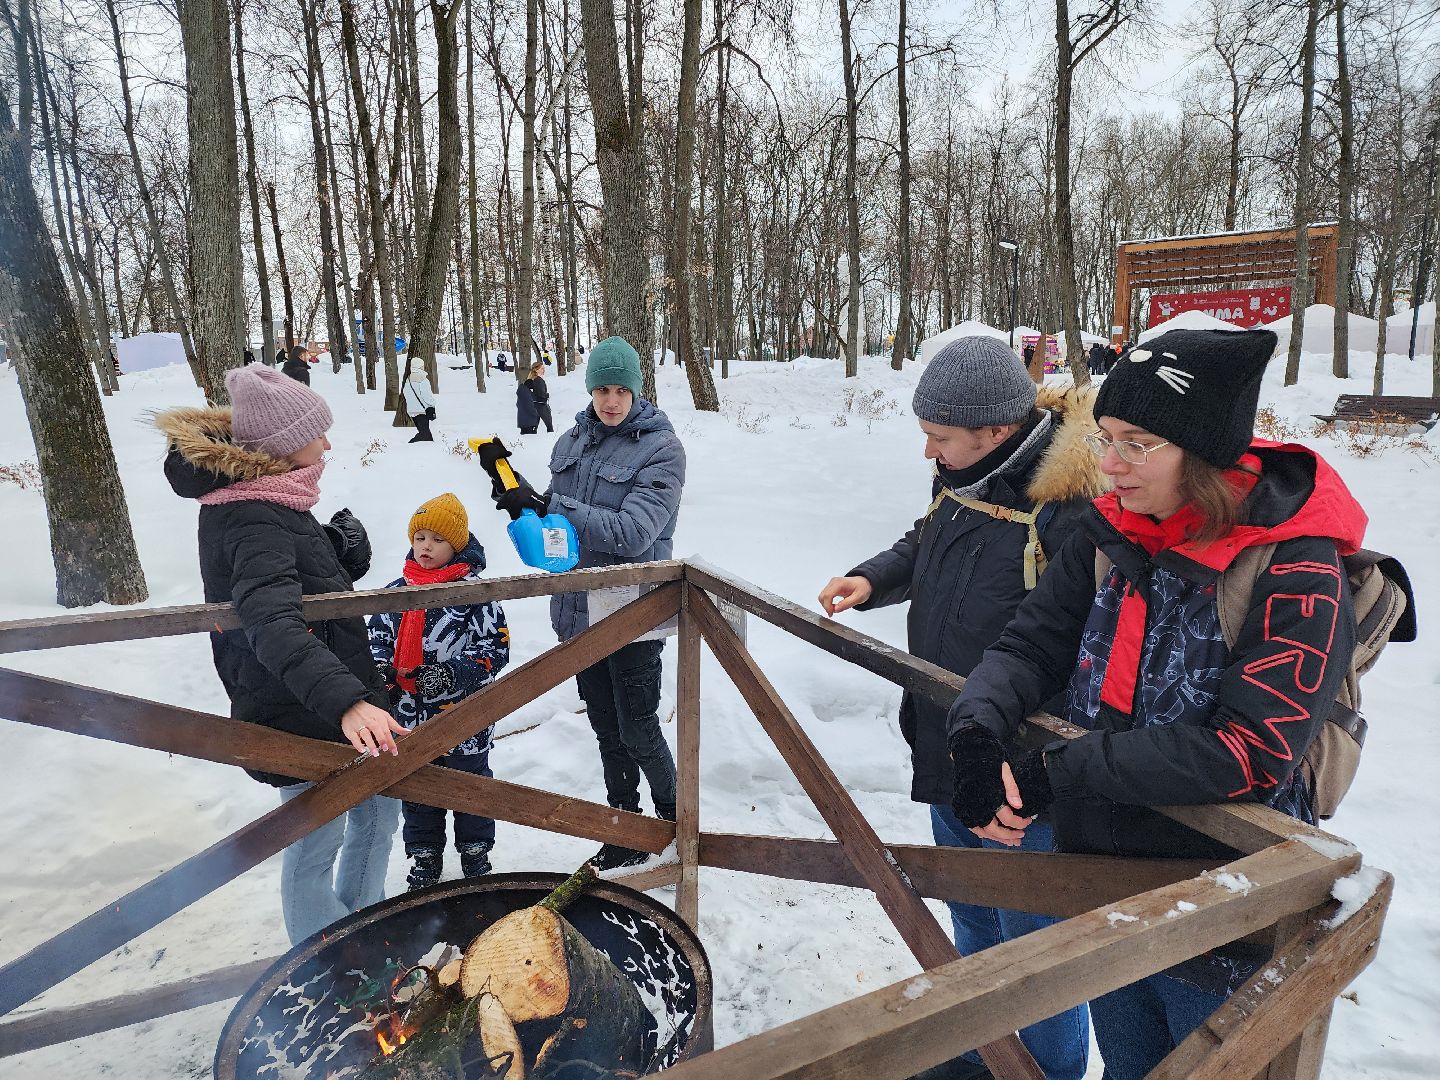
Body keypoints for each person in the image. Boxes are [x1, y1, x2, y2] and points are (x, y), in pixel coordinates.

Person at [945, 329, 1363, 1080]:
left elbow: (1251, 751)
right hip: (1107, 873)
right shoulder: (1111, 532)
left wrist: (1059, 772)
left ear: (1203, 453)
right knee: (1128, 1064)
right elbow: (1028, 647)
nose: (1108, 464)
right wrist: (976, 728)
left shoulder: (1299, 567)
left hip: (1231, 895)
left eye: (1139, 443)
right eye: (1107, 438)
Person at [818, 336, 1104, 1080]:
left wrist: (1025, 759)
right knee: (970, 917)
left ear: (995, 430)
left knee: (1032, 952)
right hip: (946, 744)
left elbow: (1066, 646)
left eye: (937, 438)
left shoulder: (1066, 513)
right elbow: (931, 539)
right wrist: (872, 578)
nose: (928, 454)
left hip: (1014, 774)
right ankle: (986, 1052)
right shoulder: (962, 474)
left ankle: (1043, 1072)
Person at [155, 366, 407, 946]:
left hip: (319, 692)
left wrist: (338, 557)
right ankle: (322, 965)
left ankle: (363, 936)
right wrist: (348, 704)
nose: (327, 444)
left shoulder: (270, 499)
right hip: (297, 703)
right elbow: (271, 622)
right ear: (282, 444)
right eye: (317, 432)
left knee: (375, 814)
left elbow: (285, 586)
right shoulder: (250, 511)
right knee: (316, 835)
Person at [493, 336, 685, 870]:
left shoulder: (661, 449)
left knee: (638, 727)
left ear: (637, 390)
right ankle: (621, 826)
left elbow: (632, 533)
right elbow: (563, 532)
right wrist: (522, 501)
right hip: (577, 611)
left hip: (633, 614)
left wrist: (551, 503)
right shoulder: (573, 441)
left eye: (622, 389)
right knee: (605, 727)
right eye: (601, 388)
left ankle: (673, 826)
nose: (611, 400)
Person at [367, 494, 510, 890]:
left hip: (464, 716)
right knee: (418, 784)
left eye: (437, 540)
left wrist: (448, 675)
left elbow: (494, 650)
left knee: (470, 782)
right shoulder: (395, 593)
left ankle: (475, 849)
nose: (426, 547)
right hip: (408, 714)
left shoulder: (474, 595)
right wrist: (382, 670)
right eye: (420, 537)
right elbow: (376, 638)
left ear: (457, 546)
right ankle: (425, 854)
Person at [402, 356, 436, 442]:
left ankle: (417, 448)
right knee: (426, 436)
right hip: (422, 411)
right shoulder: (423, 379)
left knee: (424, 434)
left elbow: (405, 393)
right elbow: (426, 395)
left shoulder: (408, 379)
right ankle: (410, 446)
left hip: (412, 411)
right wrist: (432, 405)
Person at [516, 363, 541, 435]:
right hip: (529, 422)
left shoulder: (522, 390)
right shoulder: (526, 392)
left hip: (524, 421)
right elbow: (530, 406)